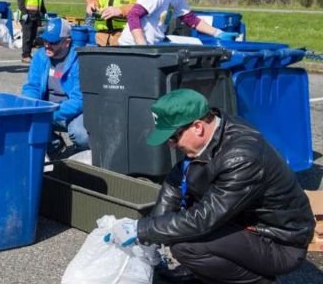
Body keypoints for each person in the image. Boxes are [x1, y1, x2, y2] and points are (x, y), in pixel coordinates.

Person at [108, 88, 315, 284]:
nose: (170, 144)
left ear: (197, 127)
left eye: (173, 137)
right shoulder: (216, 130)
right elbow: (175, 182)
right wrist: (151, 231)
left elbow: (203, 219)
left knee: (185, 245)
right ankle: (201, 270)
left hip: (279, 242)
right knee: (172, 228)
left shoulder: (242, 157)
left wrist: (142, 229)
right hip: (243, 223)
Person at [22, 18, 88, 154]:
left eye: (53, 42)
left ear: (67, 42)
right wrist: (32, 106)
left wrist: (50, 113)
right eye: (45, 40)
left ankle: (84, 158)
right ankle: (56, 148)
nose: (47, 45)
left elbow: (79, 100)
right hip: (46, 110)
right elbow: (32, 87)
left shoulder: (80, 59)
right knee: (25, 119)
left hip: (72, 112)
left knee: (80, 134)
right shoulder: (40, 56)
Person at [18, 0, 47, 64]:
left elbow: (40, 2)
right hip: (27, 15)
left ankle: (29, 54)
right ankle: (25, 55)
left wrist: (44, 11)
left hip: (36, 15)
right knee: (27, 36)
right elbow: (21, 2)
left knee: (33, 36)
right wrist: (24, 13)